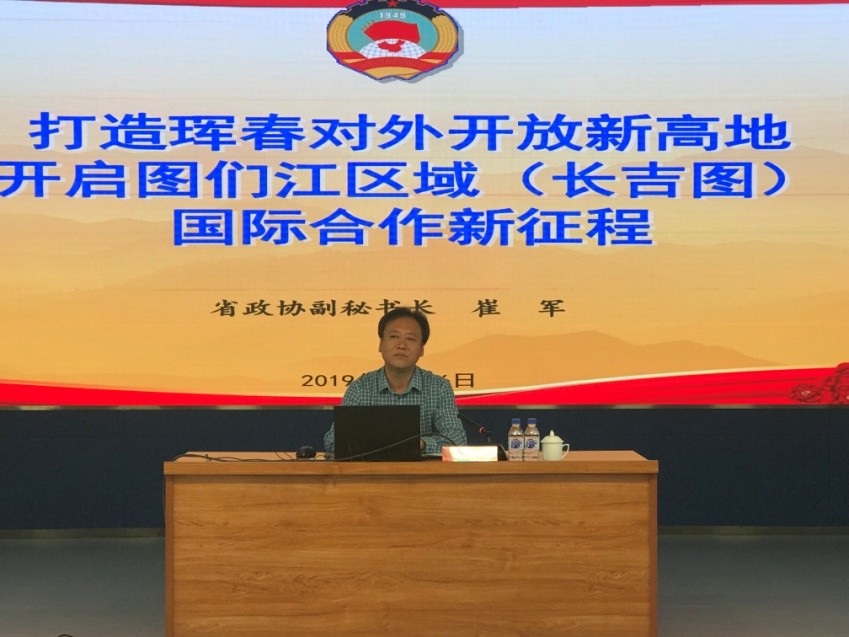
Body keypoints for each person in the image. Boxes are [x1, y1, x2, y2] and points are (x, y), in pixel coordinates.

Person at [324, 307, 467, 455]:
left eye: (410, 339)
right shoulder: (360, 388)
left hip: (421, 470)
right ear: (380, 344)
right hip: (371, 469)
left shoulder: (439, 387)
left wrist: (420, 444)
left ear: (422, 349)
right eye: (394, 336)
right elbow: (333, 442)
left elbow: (457, 441)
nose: (401, 345)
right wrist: (388, 442)